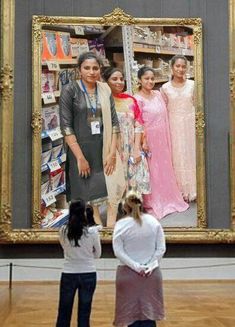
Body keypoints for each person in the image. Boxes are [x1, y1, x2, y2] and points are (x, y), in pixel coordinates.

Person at [59, 52, 125, 225]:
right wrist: (80, 158)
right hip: (80, 149)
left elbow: (114, 122)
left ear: (100, 69)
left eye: (95, 68)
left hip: (103, 146)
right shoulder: (70, 90)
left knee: (111, 185)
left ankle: (110, 226)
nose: (91, 72)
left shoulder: (104, 89)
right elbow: (66, 127)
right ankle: (98, 225)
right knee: (89, 190)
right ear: (79, 70)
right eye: (86, 68)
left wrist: (111, 153)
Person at [134, 66, 188, 219]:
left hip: (163, 136)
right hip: (149, 139)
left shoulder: (158, 94)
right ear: (139, 80)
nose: (150, 81)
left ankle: (170, 197)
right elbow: (138, 121)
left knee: (165, 167)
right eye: (146, 78)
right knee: (153, 170)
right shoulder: (137, 99)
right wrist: (143, 141)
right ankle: (155, 201)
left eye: (152, 78)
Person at [102, 67, 151, 226]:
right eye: (114, 79)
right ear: (106, 81)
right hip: (113, 149)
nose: (119, 82)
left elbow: (138, 124)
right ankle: (116, 216)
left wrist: (137, 148)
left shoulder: (131, 100)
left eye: (121, 79)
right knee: (117, 182)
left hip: (131, 146)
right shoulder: (103, 102)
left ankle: (134, 215)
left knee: (134, 180)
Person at [112, 191, 166, 327]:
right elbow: (161, 249)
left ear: (125, 207)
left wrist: (136, 266)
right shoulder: (154, 222)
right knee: (149, 316)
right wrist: (149, 265)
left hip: (128, 275)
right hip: (151, 274)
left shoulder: (120, 225)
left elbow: (118, 251)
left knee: (130, 317)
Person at [56, 199, 101, 327]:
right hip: (88, 273)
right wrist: (87, 255)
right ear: (84, 213)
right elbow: (98, 254)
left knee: (64, 310)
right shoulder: (92, 232)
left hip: (69, 272)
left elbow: (64, 248)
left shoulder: (63, 230)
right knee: (84, 312)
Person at [161, 55, 196, 202]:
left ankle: (194, 188)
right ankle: (180, 191)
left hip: (191, 124)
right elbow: (162, 109)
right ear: (172, 67)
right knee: (177, 156)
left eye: (183, 66)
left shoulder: (193, 85)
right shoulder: (165, 88)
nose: (180, 69)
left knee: (192, 154)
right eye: (177, 66)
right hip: (173, 125)